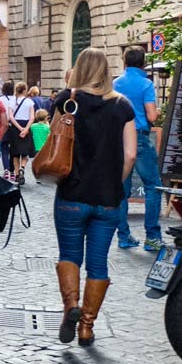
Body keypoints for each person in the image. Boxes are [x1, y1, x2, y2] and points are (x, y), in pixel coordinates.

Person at [52, 48, 137, 348]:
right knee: (98, 264)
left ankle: (71, 305)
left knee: (70, 256)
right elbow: (130, 154)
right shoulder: (123, 106)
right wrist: (116, 181)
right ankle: (86, 327)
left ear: (79, 69)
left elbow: (55, 145)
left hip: (71, 194)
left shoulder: (67, 101)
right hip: (108, 198)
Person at [112, 47, 165, 251]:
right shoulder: (146, 84)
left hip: (118, 140)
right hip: (140, 139)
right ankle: (152, 237)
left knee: (121, 190)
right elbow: (151, 117)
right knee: (153, 186)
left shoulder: (115, 83)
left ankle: (123, 236)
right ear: (143, 63)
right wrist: (157, 111)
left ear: (124, 62)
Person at [3, 82, 36, 184]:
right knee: (25, 153)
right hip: (26, 125)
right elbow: (32, 117)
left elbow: (10, 117)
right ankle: (22, 168)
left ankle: (17, 175)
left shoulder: (12, 101)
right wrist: (26, 129)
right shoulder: (29, 102)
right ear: (25, 90)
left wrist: (19, 128)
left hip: (15, 128)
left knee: (15, 153)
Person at [0, 81, 15, 178]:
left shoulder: (0, 99)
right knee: (13, 149)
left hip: (3, 126)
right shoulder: (16, 99)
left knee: (4, 149)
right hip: (14, 126)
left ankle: (6, 169)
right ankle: (12, 171)